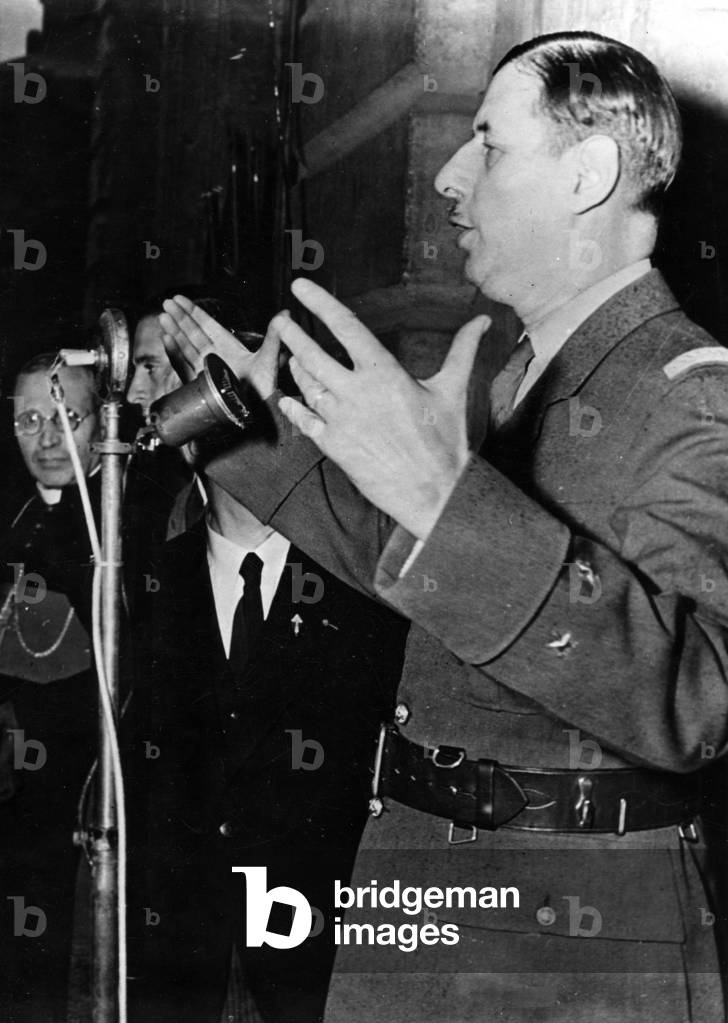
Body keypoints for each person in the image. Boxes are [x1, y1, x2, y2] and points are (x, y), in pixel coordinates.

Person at [159, 31, 728, 1023]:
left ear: (585, 175)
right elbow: (404, 562)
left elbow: (696, 700)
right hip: (418, 877)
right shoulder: (513, 377)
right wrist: (240, 431)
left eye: (489, 145)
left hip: (578, 929)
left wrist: (440, 499)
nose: (451, 180)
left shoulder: (690, 391)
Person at [129, 425, 408, 1023]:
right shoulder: (140, 584)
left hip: (318, 933)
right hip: (180, 941)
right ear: (186, 441)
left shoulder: (367, 580)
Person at [0, 355, 102, 1023]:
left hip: (97, 772)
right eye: (30, 419)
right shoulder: (13, 519)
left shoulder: (132, 518)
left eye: (66, 418)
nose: (46, 438)